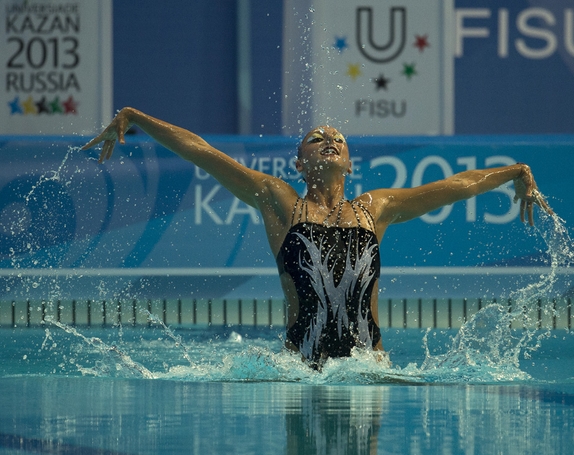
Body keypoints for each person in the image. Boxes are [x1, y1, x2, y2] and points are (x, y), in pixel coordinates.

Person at [83, 107, 553, 369]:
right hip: (301, 372)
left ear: (350, 162)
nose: (329, 138)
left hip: (370, 370)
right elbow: (204, 154)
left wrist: (513, 171)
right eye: (315, 137)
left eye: (338, 137)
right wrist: (137, 118)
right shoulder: (280, 202)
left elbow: (452, 186)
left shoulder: (375, 209)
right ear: (299, 163)